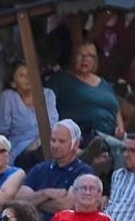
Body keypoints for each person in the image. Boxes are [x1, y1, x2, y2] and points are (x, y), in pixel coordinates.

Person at [51, 42, 124, 170]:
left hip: (110, 135)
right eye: (81, 55)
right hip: (84, 134)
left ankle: (90, 159)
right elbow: (46, 105)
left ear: (96, 61)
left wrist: (120, 127)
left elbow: (116, 108)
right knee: (121, 148)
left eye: (91, 56)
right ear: (73, 58)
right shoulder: (61, 80)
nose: (85, 59)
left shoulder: (105, 84)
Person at [17, 120, 93, 217]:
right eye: (53, 140)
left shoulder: (84, 172)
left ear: (75, 144)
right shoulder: (39, 168)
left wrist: (35, 202)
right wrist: (47, 193)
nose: (55, 145)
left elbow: (66, 206)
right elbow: (18, 202)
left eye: (61, 141)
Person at [0, 62, 58, 168]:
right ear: (13, 83)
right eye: (22, 75)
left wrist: (38, 143)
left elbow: (52, 125)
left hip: (48, 143)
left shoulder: (48, 94)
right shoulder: (8, 97)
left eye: (30, 74)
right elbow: (2, 130)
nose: (28, 78)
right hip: (22, 150)